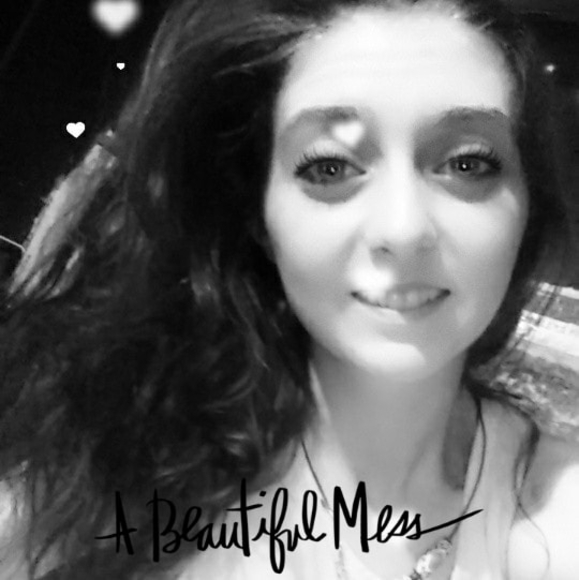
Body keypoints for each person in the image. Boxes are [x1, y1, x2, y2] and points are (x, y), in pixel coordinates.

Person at [0, 0, 578, 578]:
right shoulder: (102, 470)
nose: (403, 230)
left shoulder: (555, 516)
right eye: (329, 167)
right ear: (259, 213)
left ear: (528, 204)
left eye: (468, 163)